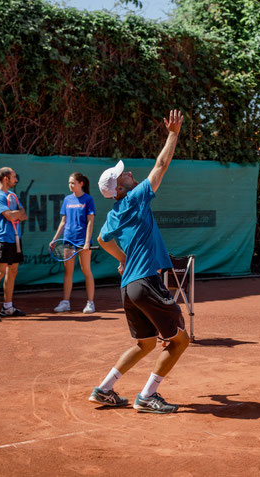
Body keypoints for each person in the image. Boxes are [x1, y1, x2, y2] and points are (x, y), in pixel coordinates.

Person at [88, 109, 190, 414]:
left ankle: (103, 389)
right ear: (120, 188)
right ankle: (147, 396)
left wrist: (123, 258)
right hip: (146, 281)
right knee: (181, 341)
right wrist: (173, 133)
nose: (129, 173)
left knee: (145, 343)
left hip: (129, 288)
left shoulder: (115, 213)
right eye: (125, 175)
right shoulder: (135, 198)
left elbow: (102, 240)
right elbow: (161, 165)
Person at [0, 167, 28, 322]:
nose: (16, 180)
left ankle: (7, 307)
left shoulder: (13, 196)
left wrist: (16, 214)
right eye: (13, 177)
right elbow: (9, 216)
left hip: (15, 238)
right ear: (5, 179)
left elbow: (24, 215)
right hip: (2, 239)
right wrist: (16, 214)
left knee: (13, 271)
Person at [50, 172, 97, 313]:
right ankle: (65, 302)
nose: (70, 185)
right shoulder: (67, 200)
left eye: (73, 183)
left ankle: (90, 303)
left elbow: (90, 222)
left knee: (86, 270)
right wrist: (54, 239)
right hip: (68, 239)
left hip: (83, 241)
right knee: (68, 272)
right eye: (69, 183)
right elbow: (63, 222)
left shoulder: (88, 200)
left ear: (80, 183)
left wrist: (87, 241)